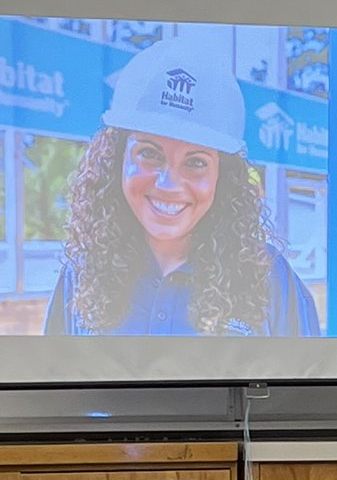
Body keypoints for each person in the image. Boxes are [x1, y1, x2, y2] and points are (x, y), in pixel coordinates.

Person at [44, 38, 320, 337]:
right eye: (149, 153)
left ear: (222, 176)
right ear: (117, 159)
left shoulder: (270, 278)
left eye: (196, 162)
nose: (169, 183)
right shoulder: (81, 275)